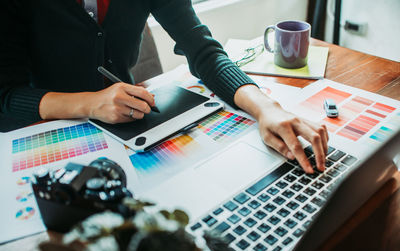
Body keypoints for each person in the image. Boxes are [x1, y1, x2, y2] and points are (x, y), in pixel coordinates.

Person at [0, 0, 328, 173]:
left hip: (127, 134)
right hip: (42, 139)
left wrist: (267, 108)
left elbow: (203, 51)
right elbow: (6, 95)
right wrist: (89, 103)